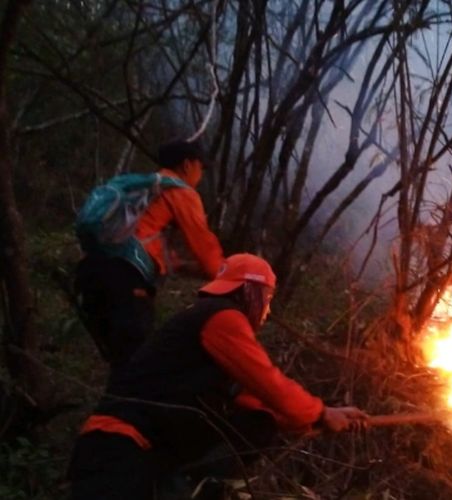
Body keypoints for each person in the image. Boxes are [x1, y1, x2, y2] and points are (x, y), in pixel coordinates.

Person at [67, 253, 368, 499]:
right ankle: (195, 480)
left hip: (140, 452)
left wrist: (321, 417)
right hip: (117, 445)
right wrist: (319, 412)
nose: (267, 310)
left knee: (260, 423)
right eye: (268, 297)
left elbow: (258, 404)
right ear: (251, 291)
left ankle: (193, 482)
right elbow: (268, 381)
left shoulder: (207, 324)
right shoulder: (222, 318)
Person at [74, 140, 223, 367]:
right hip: (125, 280)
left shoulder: (144, 189)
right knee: (136, 364)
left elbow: (145, 239)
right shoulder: (179, 191)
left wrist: (176, 265)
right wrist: (227, 277)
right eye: (200, 168)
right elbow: (205, 247)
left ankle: (118, 401)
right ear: (187, 165)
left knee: (121, 360)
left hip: (89, 274)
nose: (200, 175)